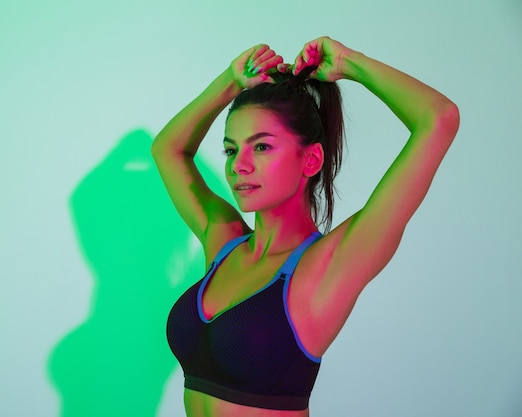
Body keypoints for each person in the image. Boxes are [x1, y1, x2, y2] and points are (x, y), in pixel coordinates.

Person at [151, 36, 459, 417]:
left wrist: (351, 62)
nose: (238, 166)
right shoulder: (223, 240)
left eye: (261, 147)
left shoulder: (331, 264)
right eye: (231, 149)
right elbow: (167, 149)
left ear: (311, 159)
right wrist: (230, 81)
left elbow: (438, 119)